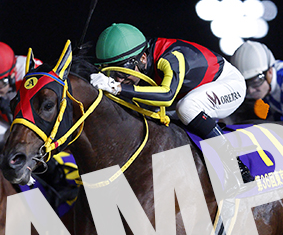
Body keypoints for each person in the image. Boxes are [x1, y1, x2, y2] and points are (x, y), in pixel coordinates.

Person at [89, 23, 253, 192]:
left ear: (142, 58)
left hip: (228, 84)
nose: (118, 79)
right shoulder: (141, 60)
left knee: (187, 108)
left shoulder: (171, 57)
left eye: (121, 73)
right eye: (111, 74)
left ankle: (236, 166)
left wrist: (116, 88)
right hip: (189, 91)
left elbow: (167, 95)